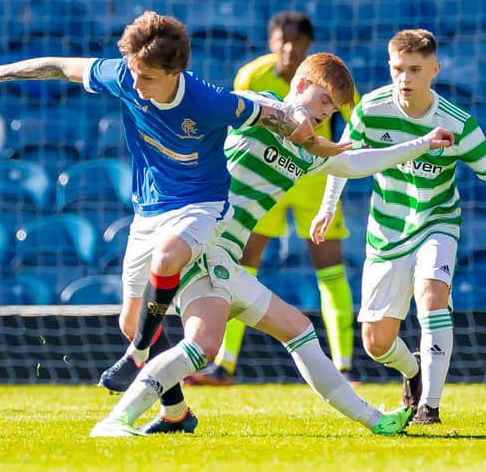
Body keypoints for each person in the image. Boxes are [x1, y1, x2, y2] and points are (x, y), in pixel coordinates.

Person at [0, 11, 324, 433]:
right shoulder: (125, 76)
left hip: (200, 205)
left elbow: (266, 112)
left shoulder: (208, 100)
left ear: (175, 71)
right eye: (134, 74)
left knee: (167, 264)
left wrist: (304, 130)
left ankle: (140, 352)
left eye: (147, 78)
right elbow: (61, 67)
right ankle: (176, 413)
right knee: (130, 319)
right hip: (148, 210)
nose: (136, 86)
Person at [88, 52, 456, 437]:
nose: (327, 113)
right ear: (299, 86)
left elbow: (360, 163)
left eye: (334, 108)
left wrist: (422, 144)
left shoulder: (308, 152)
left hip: (223, 257)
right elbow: (230, 108)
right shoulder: (260, 111)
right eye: (324, 100)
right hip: (201, 240)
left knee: (276, 333)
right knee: (212, 341)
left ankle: (374, 420)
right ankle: (120, 417)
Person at [310, 29, 486, 425]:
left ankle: (429, 407)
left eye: (415, 69)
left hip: (437, 222)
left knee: (432, 295)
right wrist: (327, 207)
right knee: (376, 343)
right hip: (386, 232)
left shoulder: (457, 123)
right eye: (398, 69)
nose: (405, 78)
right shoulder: (370, 109)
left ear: (435, 70)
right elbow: (342, 159)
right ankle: (412, 369)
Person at [188, 11, 361, 386]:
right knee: (241, 261)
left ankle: (345, 367)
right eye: (283, 39)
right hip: (264, 178)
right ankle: (223, 365)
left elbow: (354, 126)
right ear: (271, 41)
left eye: (297, 41)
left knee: (330, 267)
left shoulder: (327, 81)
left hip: (310, 179)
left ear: (308, 45)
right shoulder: (253, 75)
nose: (289, 47)